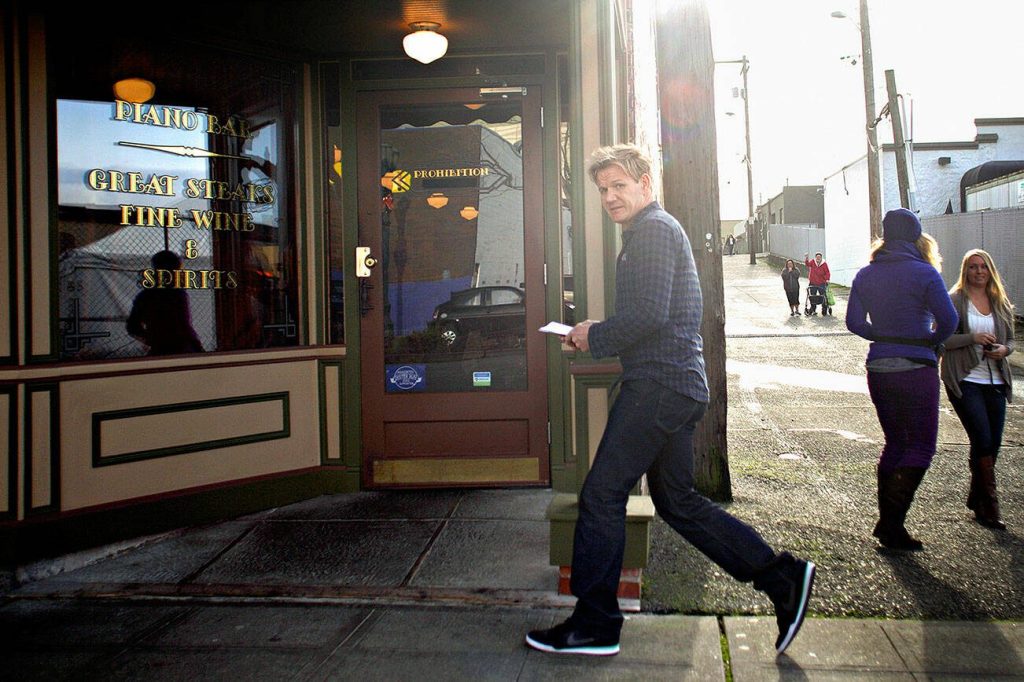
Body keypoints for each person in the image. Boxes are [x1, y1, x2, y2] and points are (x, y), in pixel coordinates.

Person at [525, 144, 815, 657]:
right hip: (674, 385)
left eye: (619, 185)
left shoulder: (654, 231)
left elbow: (650, 316)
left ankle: (595, 624)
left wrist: (594, 334)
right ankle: (782, 577)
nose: (610, 196)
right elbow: (650, 316)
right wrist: (597, 334)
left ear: (645, 185)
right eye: (602, 189)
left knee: (601, 495)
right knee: (678, 503)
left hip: (659, 385)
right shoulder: (646, 232)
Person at [846, 209, 957, 550]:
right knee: (922, 445)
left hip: (879, 367)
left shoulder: (866, 274)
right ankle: (891, 523)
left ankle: (890, 524)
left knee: (895, 442)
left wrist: (881, 333)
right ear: (915, 236)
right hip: (917, 367)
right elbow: (949, 321)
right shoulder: (925, 273)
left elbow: (853, 322)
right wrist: (929, 340)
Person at [940, 249, 1014, 530]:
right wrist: (973, 337)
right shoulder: (955, 300)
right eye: (973, 267)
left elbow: (1011, 341)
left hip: (994, 381)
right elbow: (942, 338)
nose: (979, 271)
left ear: (990, 270)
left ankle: (977, 494)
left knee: (993, 443)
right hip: (965, 379)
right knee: (982, 439)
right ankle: (990, 506)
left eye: (983, 267)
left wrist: (1004, 349)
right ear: (965, 271)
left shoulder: (999, 301)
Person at [127, 250, 204, 356]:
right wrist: (198, 348)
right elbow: (183, 327)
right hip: (181, 348)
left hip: (162, 348)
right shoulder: (177, 294)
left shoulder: (146, 296)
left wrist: (151, 339)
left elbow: (132, 326)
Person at [803, 251, 831, 316]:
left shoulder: (824, 264)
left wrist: (827, 279)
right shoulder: (813, 262)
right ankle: (813, 309)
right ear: (815, 257)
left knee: (823, 296)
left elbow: (827, 272)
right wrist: (806, 258)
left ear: (821, 258)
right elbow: (807, 264)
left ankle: (824, 309)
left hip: (821, 283)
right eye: (817, 257)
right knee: (812, 296)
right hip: (813, 282)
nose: (818, 258)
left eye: (819, 257)